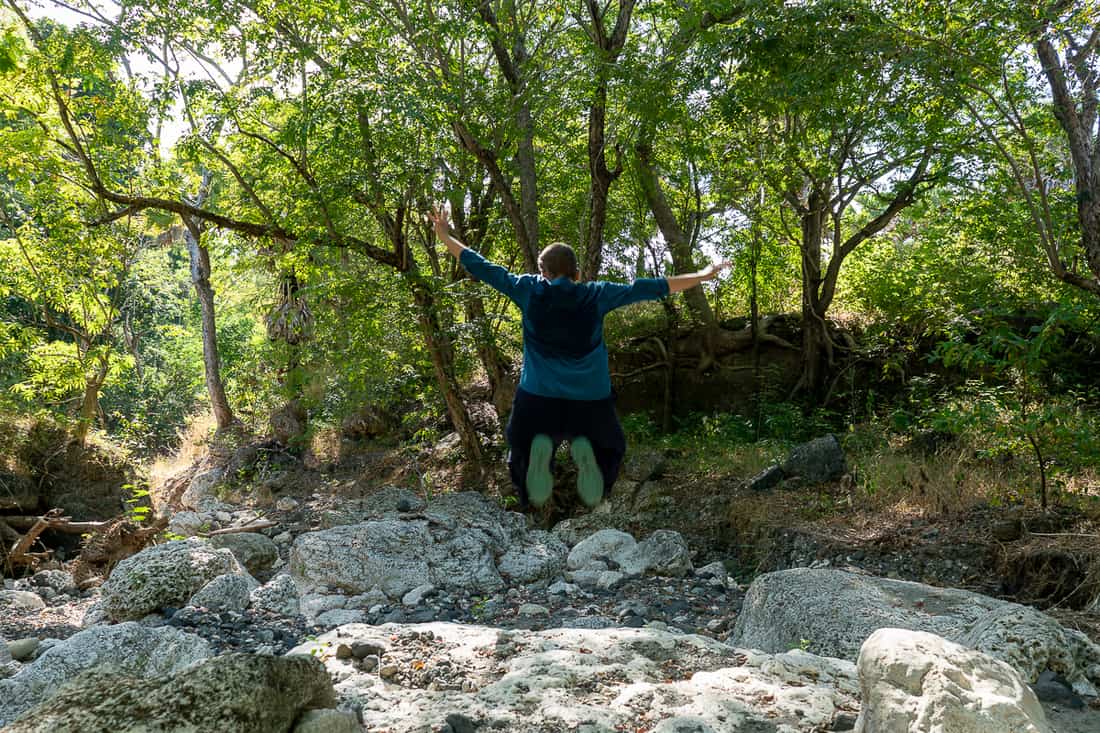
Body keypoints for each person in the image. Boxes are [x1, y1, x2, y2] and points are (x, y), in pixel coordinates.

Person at [429, 205, 730, 508]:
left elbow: (480, 265)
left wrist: (444, 234)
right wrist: (703, 276)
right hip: (590, 401)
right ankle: (595, 481)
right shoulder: (596, 294)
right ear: (577, 273)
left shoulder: (528, 290)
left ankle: (532, 495)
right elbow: (653, 288)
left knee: (521, 447)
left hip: (538, 398)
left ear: (542, 271)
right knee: (611, 448)